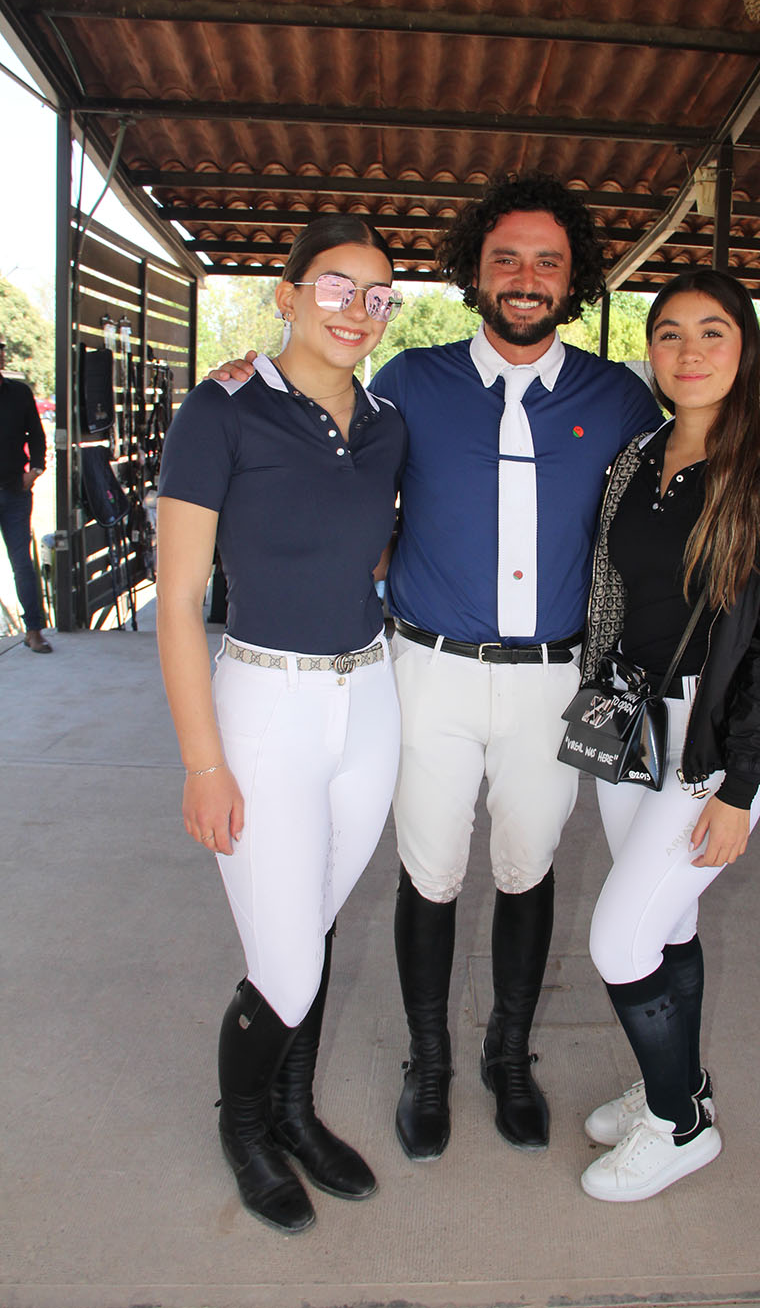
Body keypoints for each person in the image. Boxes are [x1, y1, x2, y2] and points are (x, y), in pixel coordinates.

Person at [210, 172, 760, 1164]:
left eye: (547, 262)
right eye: (506, 259)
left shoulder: (621, 397)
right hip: (426, 670)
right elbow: (323, 429)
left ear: (573, 279)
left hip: (558, 681)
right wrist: (252, 376)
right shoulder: (408, 381)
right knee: (430, 871)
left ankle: (509, 1057)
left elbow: (703, 438)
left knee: (528, 867)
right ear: (474, 272)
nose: (526, 278)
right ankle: (429, 1063)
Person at [156, 214, 407, 1234]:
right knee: (289, 960)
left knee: (313, 920)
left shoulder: (387, 423)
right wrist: (202, 762)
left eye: (378, 296)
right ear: (288, 294)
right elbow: (178, 602)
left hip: (371, 700)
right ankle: (246, 1125)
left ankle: (295, 1112)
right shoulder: (220, 411)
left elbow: (376, 548)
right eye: (338, 286)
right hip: (263, 706)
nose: (358, 310)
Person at [576, 269, 760, 1203]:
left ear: (745, 348)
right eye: (670, 333)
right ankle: (678, 1085)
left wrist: (738, 788)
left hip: (707, 741)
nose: (690, 352)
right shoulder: (634, 459)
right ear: (650, 350)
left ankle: (679, 1127)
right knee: (667, 924)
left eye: (712, 332)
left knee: (618, 941)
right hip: (627, 722)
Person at [0, 340, 53, 652]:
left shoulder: (18, 393)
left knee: (22, 563)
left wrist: (35, 470)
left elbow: (36, 433)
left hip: (14, 491)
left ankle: (34, 631)